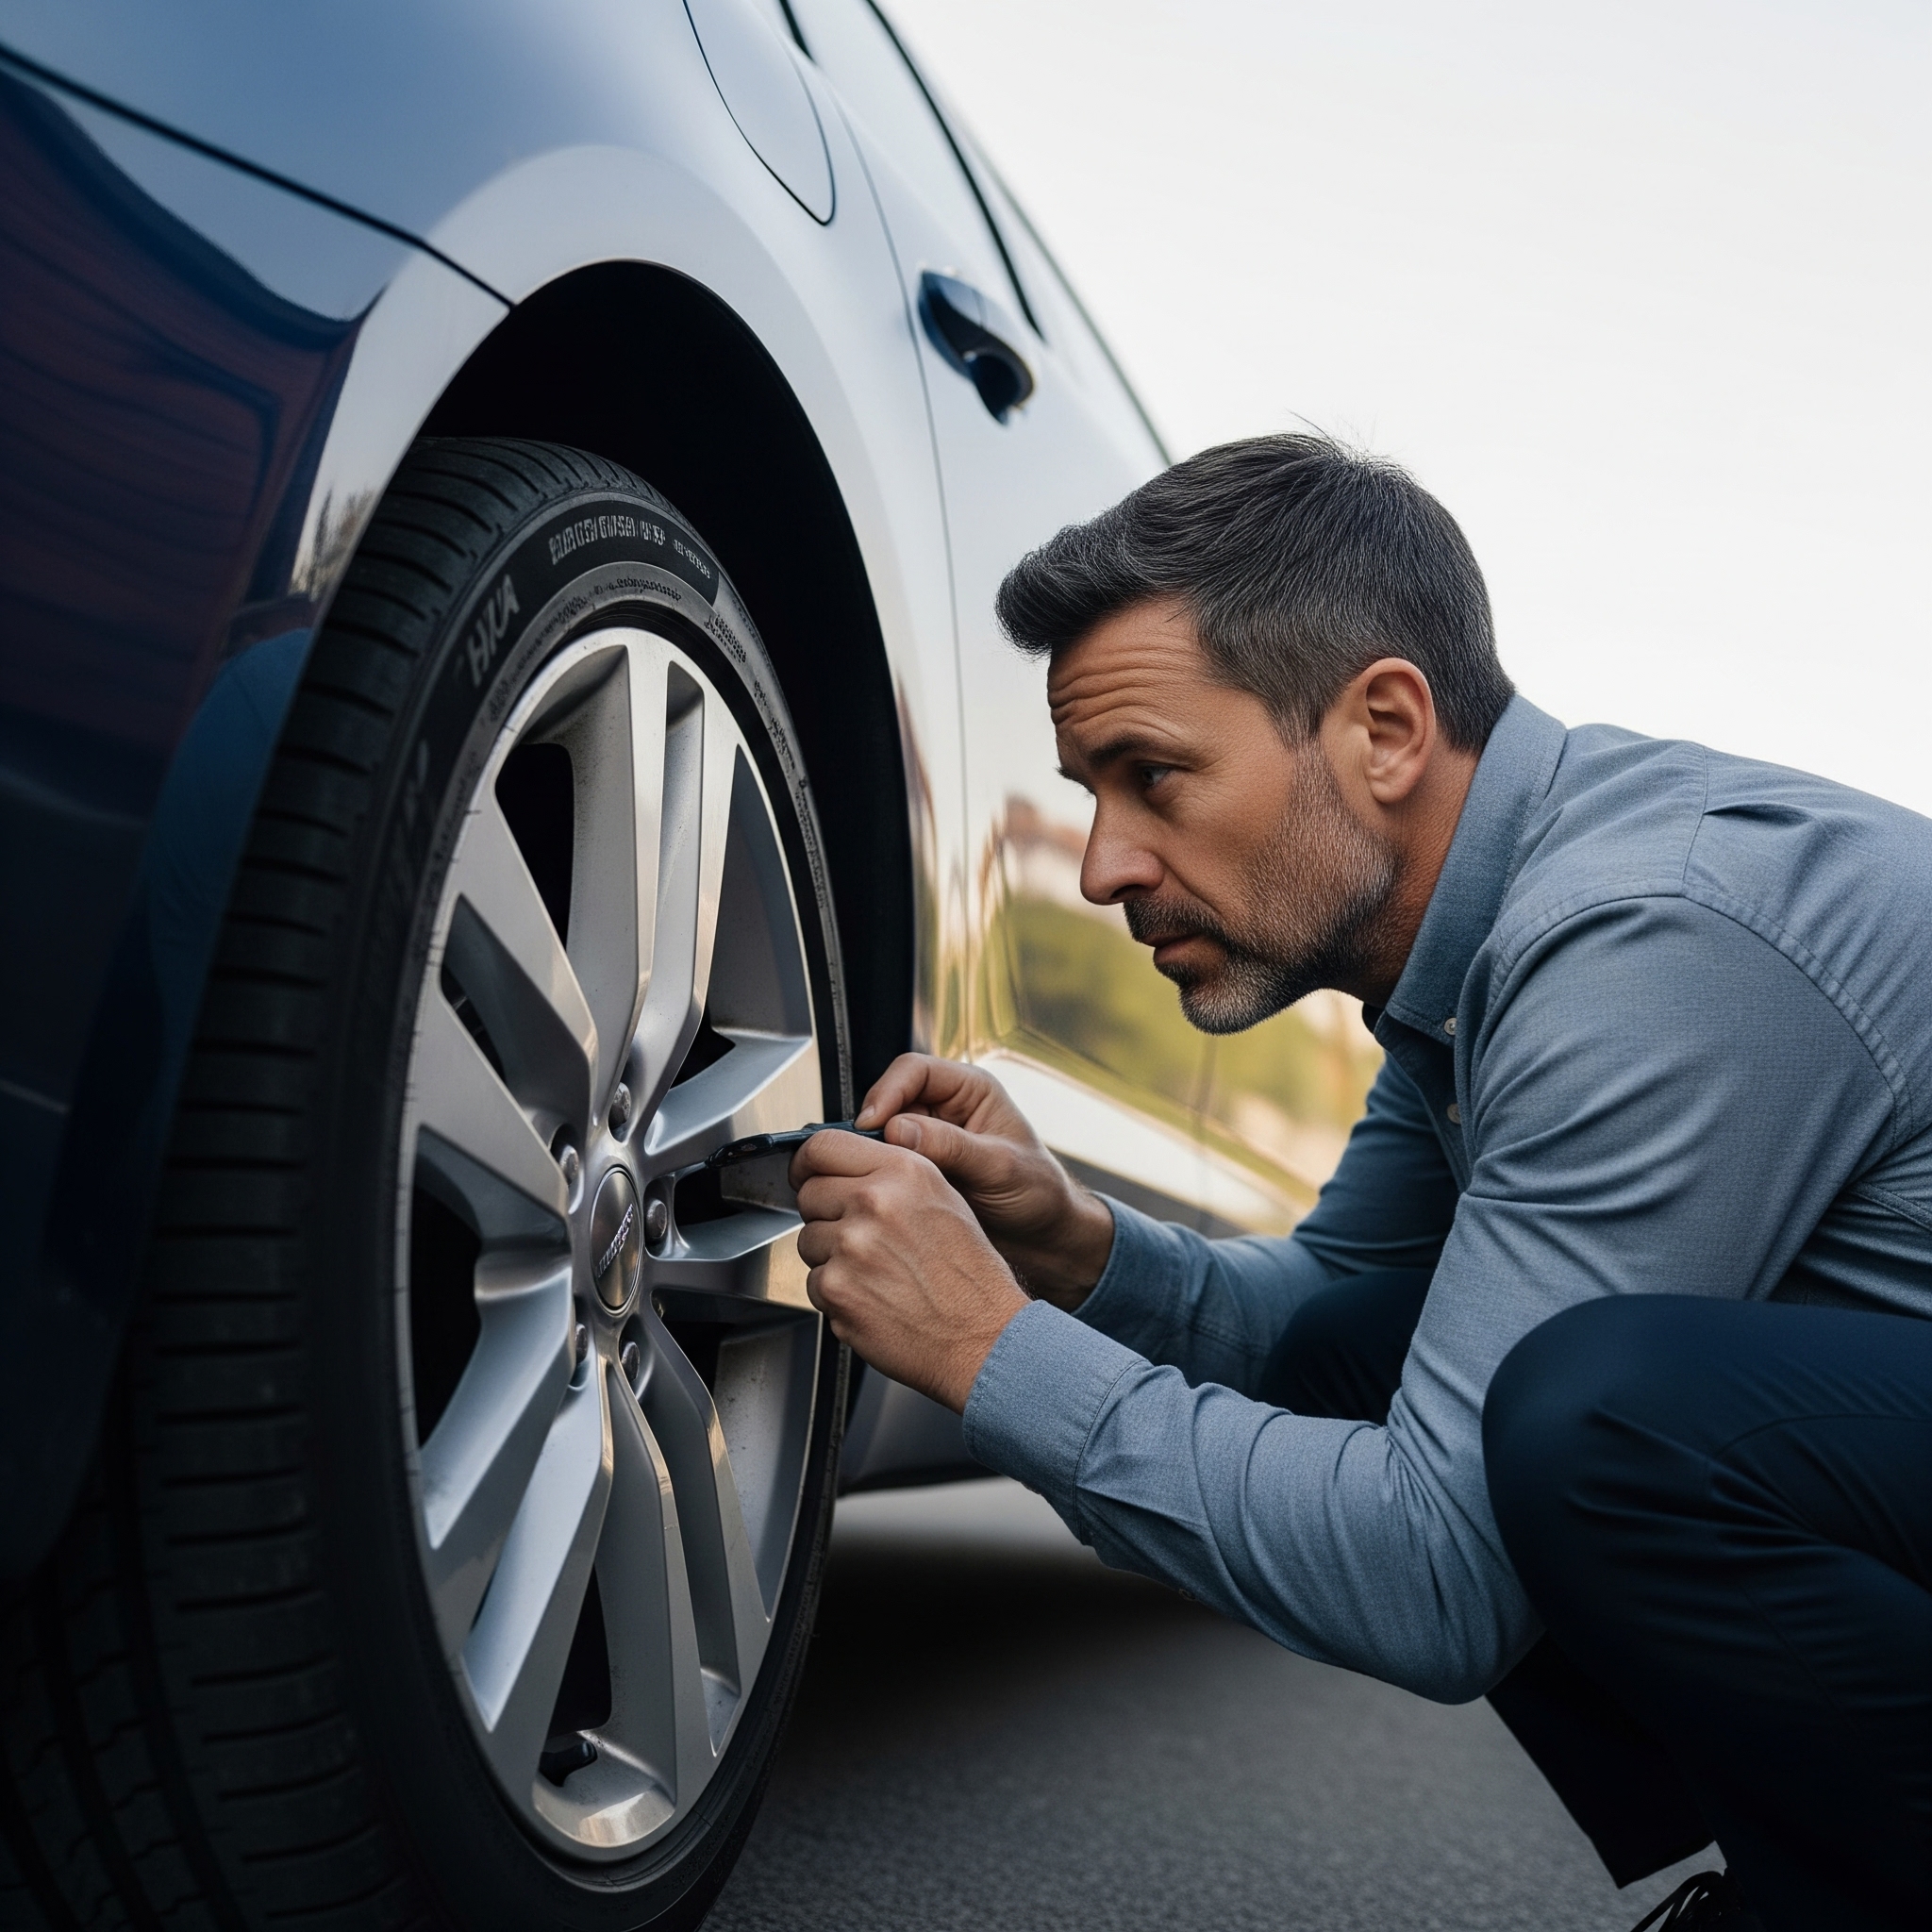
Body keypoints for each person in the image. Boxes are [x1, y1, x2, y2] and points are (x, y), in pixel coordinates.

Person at [788, 436, 1932, 1932]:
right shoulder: (1475, 944)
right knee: (1368, 1351)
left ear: (1384, 728)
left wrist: (988, 1353)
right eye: (1088, 793)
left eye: (1156, 778)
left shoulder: (1645, 942)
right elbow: (1329, 1316)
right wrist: (1075, 1252)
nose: (1102, 868)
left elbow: (1433, 1573)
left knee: (1599, 1420)